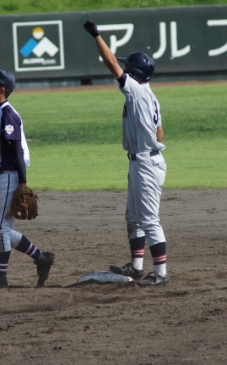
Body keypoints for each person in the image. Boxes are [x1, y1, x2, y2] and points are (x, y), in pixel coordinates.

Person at [83, 21, 170, 286]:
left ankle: (161, 274)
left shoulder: (136, 90)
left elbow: (111, 63)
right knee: (133, 218)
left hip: (146, 164)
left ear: (134, 73)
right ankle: (136, 267)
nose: (124, 70)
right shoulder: (149, 96)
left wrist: (96, 35)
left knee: (149, 220)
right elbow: (160, 134)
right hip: (142, 161)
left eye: (128, 68)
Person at [0, 67, 54, 289]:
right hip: (4, 174)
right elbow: (8, 151)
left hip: (10, 177)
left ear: (1, 89)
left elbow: (17, 151)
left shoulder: (8, 115)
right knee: (2, 229)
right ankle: (41, 258)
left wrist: (23, 184)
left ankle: (1, 278)